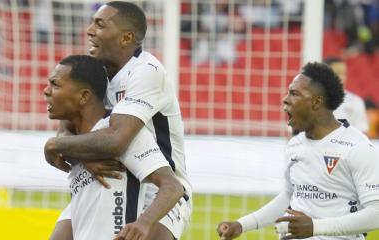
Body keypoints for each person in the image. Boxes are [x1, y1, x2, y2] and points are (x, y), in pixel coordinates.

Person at [44, 1, 192, 240]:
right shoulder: (94, 71)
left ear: (126, 38)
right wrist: (81, 153)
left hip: (157, 189)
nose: (89, 30)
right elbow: (67, 128)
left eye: (100, 25)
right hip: (108, 181)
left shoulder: (146, 71)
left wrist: (54, 145)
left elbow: (116, 141)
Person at [217, 62, 379, 240]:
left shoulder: (358, 147)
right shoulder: (295, 144)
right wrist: (243, 224)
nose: (285, 99)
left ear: (317, 101)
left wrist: (315, 227)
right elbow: (288, 196)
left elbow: (375, 214)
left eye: (294, 93)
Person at [324, 56, 369, 133]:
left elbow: (363, 131)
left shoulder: (355, 101)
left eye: (344, 73)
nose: (342, 77)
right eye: (337, 73)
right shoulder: (313, 100)